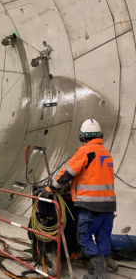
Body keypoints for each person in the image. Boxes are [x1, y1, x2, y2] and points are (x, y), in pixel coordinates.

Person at [40, 119, 117, 279]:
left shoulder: (85, 151)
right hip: (108, 205)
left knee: (84, 237)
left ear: (83, 137)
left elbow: (67, 173)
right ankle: (103, 265)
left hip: (91, 205)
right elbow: (93, 176)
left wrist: (50, 189)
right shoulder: (105, 152)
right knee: (103, 235)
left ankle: (100, 273)